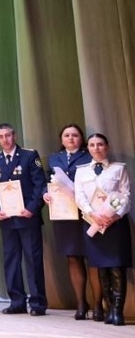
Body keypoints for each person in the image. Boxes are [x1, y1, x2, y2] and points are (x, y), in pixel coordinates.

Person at [0, 123, 47, 315]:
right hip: (7, 219)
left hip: (27, 217)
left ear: (14, 136)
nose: (5, 140)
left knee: (33, 260)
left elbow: (40, 184)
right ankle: (17, 302)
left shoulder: (29, 156)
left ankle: (37, 303)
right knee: (11, 261)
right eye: (1, 136)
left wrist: (32, 208)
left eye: (8, 135)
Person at [74, 133, 131, 327]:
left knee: (116, 266)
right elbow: (80, 197)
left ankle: (117, 311)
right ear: (88, 148)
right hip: (93, 223)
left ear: (107, 147)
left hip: (115, 223)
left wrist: (115, 216)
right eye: (92, 145)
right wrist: (92, 214)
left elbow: (125, 196)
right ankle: (108, 308)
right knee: (101, 266)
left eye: (100, 144)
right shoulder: (82, 171)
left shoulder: (118, 168)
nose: (96, 148)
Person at [44, 124, 99, 320]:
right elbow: (46, 181)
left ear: (81, 138)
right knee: (73, 257)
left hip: (87, 212)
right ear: (61, 139)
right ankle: (81, 303)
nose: (71, 138)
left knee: (93, 257)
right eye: (66, 135)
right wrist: (45, 194)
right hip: (64, 214)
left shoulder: (89, 156)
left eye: (75, 135)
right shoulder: (54, 158)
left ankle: (98, 304)